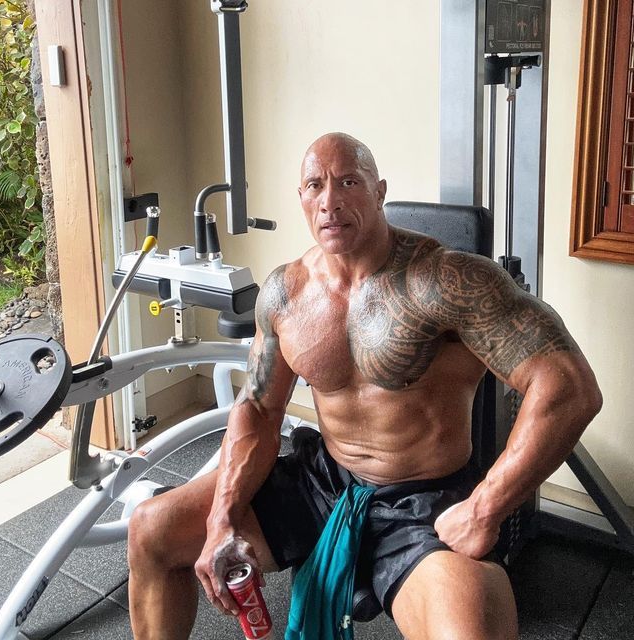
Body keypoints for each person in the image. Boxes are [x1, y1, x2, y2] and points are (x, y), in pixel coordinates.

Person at [127, 132, 602, 640]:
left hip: (423, 502)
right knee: (151, 529)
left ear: (379, 193)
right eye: (315, 186)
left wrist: (485, 507)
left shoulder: (446, 281)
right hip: (323, 481)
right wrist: (223, 513)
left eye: (348, 182)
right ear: (302, 200)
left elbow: (569, 387)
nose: (330, 200)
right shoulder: (285, 292)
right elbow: (260, 409)